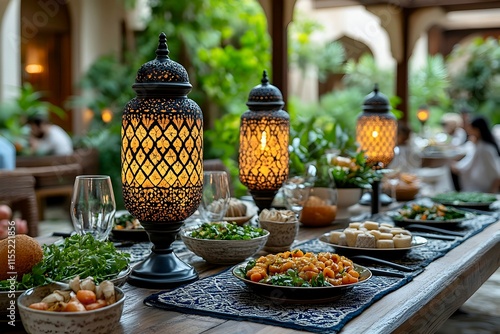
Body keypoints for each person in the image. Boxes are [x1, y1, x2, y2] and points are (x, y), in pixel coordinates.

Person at [451, 116, 500, 193]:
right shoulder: (477, 145)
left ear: (477, 130)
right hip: (474, 189)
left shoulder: (486, 149)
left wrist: (492, 192)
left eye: (471, 128)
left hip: (482, 191)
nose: (468, 131)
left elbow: (496, 174)